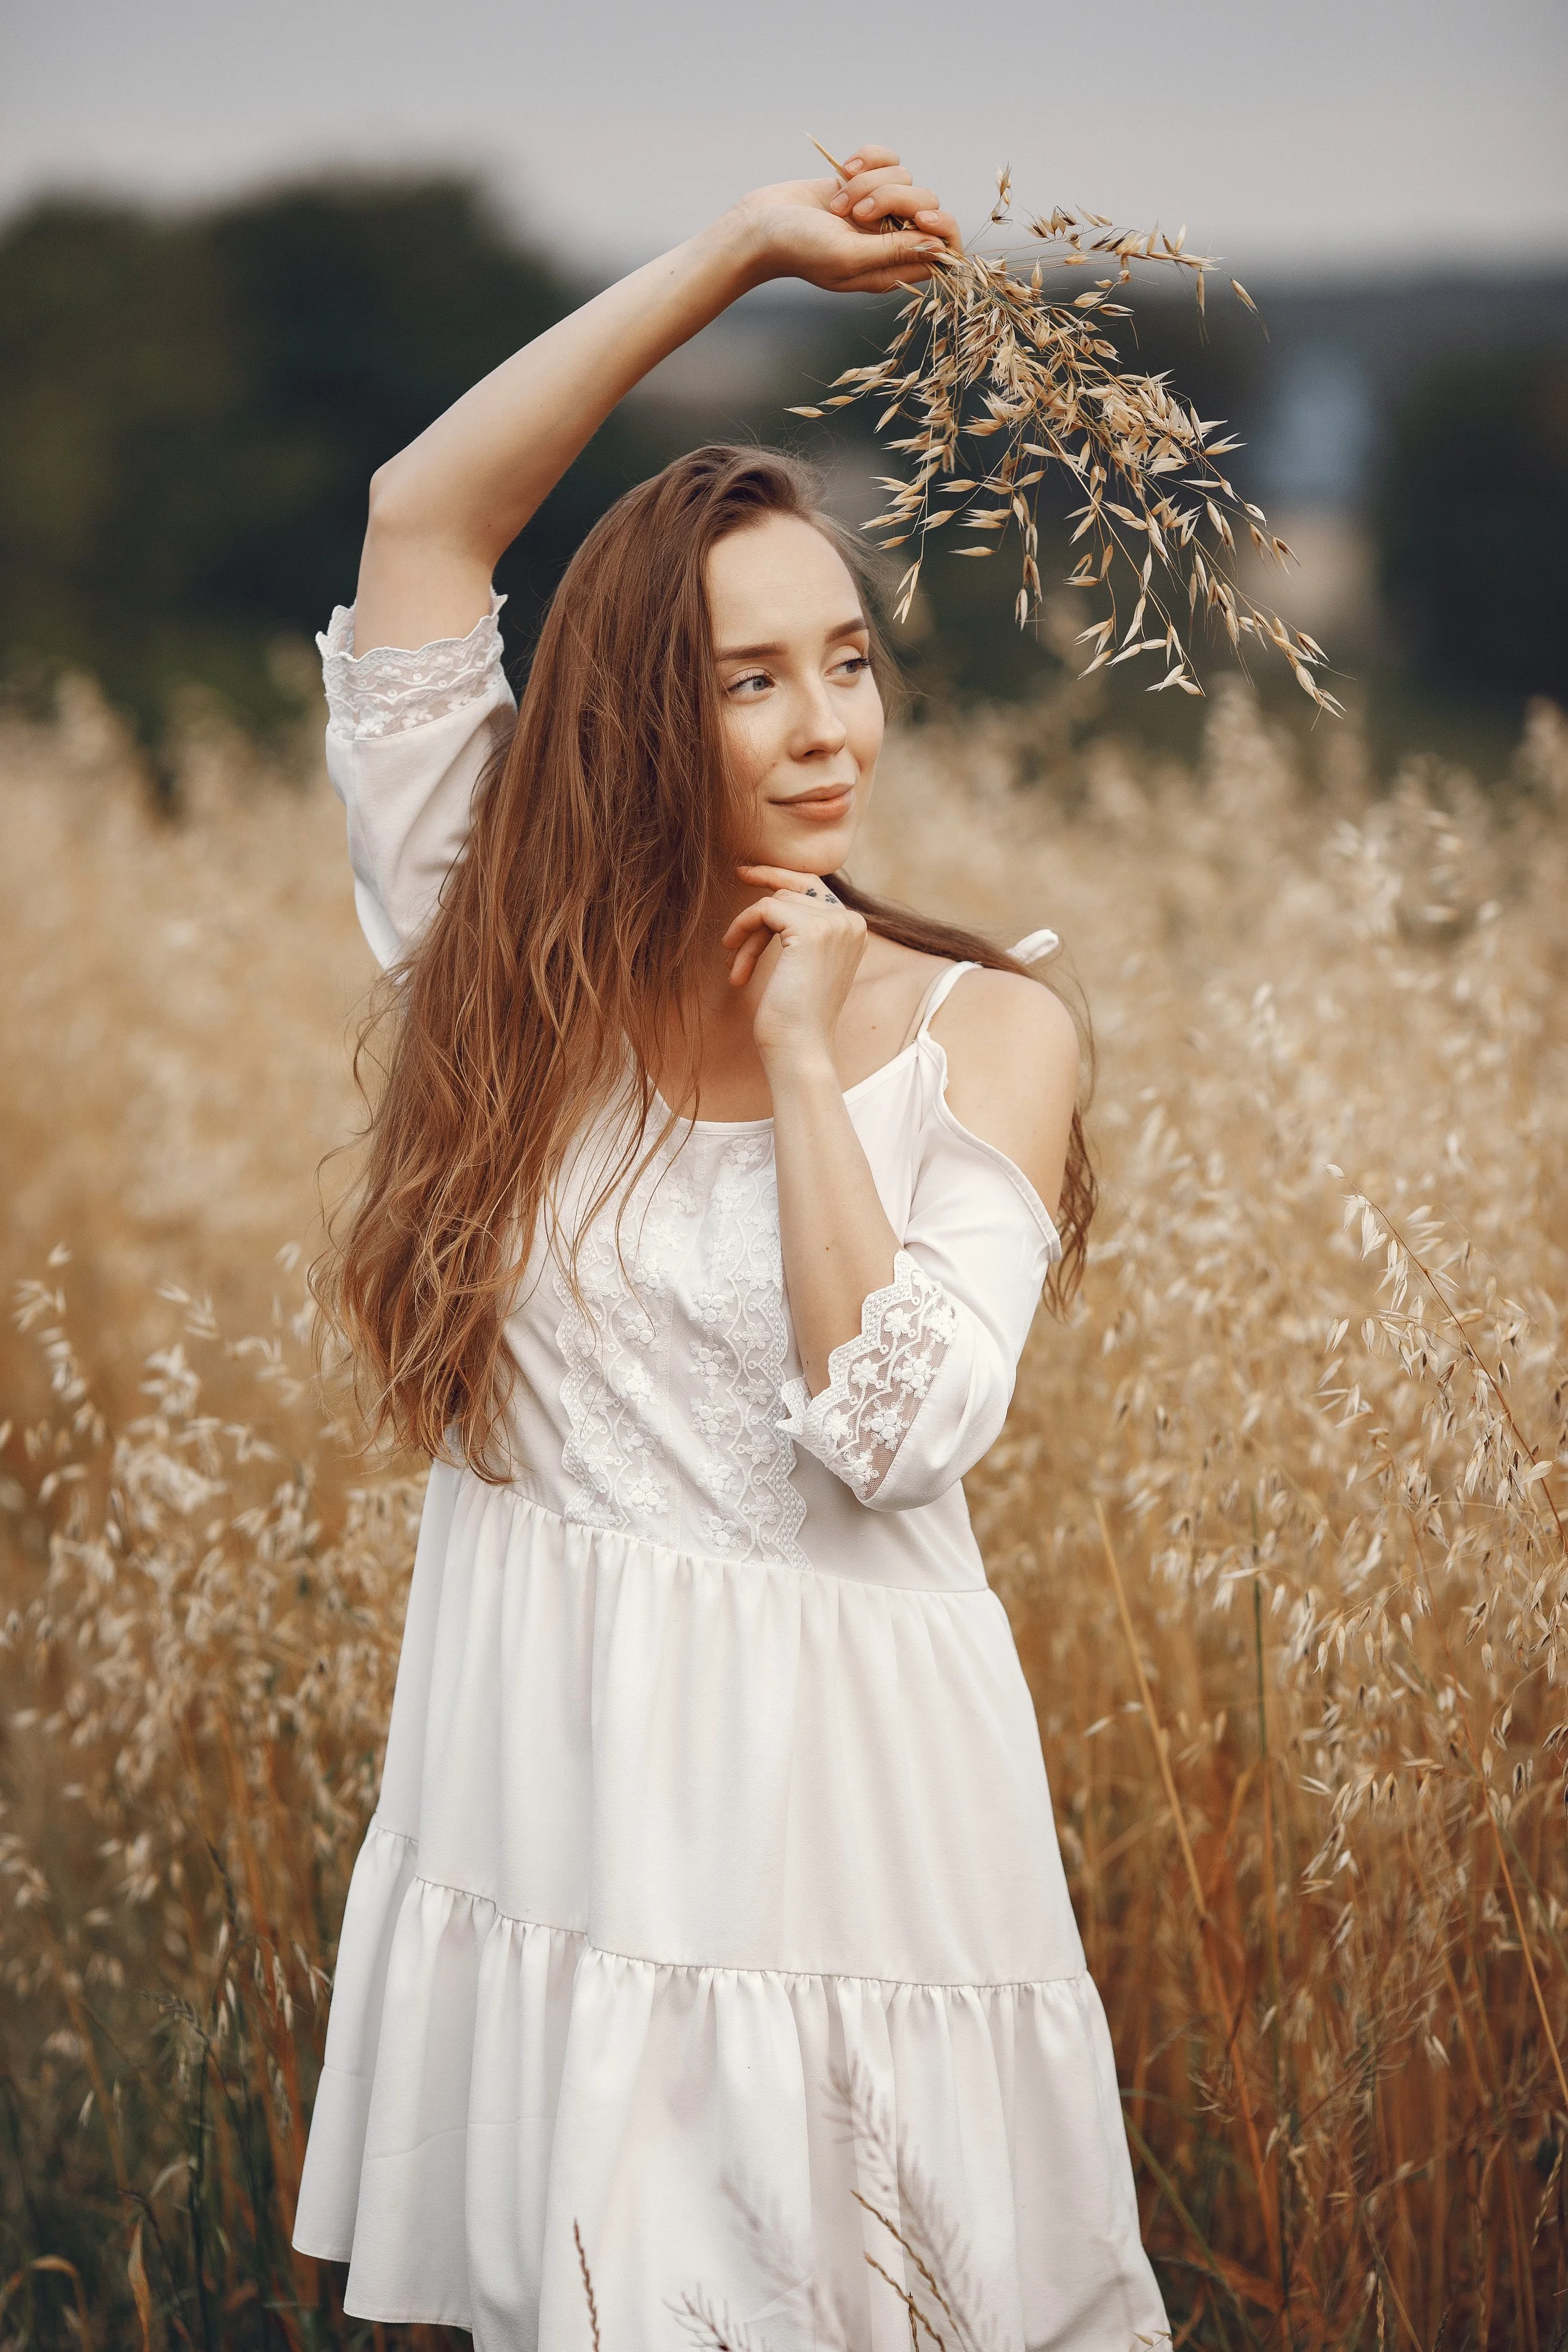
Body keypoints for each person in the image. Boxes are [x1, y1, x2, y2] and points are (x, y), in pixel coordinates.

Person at [292, 142, 1169, 2352]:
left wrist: (800, 1064)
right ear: (630, 717)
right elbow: (424, 517)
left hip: (837, 1824)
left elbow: (899, 1428)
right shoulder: (504, 946)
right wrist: (742, 256)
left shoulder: (986, 1024)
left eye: (849, 664)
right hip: (545, 1775)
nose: (822, 731)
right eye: (745, 678)